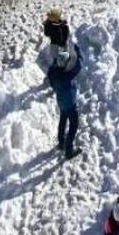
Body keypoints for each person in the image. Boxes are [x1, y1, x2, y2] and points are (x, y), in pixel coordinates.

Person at [40, 12, 80, 159]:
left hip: (61, 97)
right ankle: (68, 150)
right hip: (68, 97)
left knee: (63, 116)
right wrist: (77, 53)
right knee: (74, 123)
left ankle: (61, 141)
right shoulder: (62, 58)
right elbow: (76, 68)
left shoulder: (53, 58)